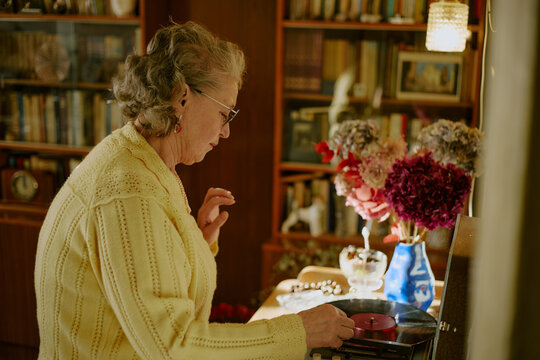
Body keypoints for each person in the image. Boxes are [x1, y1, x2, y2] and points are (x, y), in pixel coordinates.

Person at [35, 21, 354, 359]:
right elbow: (173, 346)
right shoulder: (128, 192)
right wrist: (299, 331)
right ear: (182, 96)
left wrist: (193, 246)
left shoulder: (145, 160)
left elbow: (154, 296)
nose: (226, 131)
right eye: (224, 113)